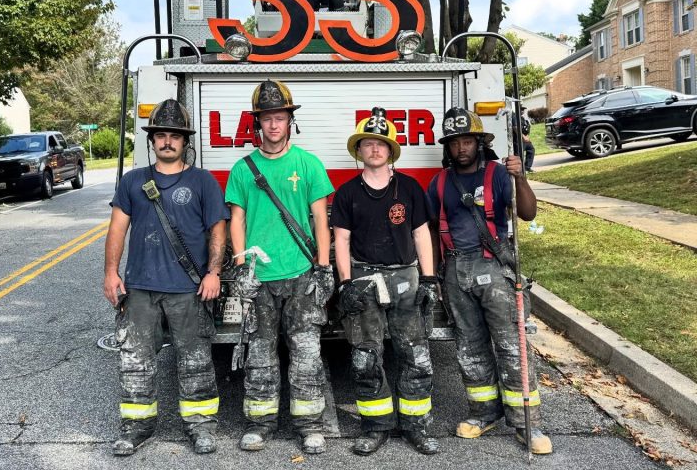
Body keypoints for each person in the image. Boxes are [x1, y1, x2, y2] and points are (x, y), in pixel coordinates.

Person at [103, 99, 229, 456]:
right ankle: (137, 427)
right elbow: (116, 230)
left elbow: (217, 230)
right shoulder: (133, 182)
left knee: (196, 361)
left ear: (185, 141)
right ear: (152, 140)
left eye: (174, 136)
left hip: (189, 289)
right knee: (135, 362)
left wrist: (214, 272)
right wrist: (111, 272)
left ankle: (201, 427)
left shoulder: (202, 181)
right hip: (140, 289)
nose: (168, 142)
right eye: (161, 135)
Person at [426, 107, 552, 455]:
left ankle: (528, 423)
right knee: (470, 348)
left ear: (479, 142)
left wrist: (521, 178)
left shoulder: (499, 174)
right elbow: (433, 231)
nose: (461, 148)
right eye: (455, 143)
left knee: (512, 346)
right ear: (447, 148)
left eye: (468, 140)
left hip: (495, 269)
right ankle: (484, 413)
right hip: (454, 273)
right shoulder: (438, 184)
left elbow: (527, 214)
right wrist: (436, 278)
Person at [225, 80, 335, 455]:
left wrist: (323, 267)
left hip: (301, 275)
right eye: (268, 118)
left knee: (307, 354)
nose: (274, 125)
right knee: (259, 354)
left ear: (290, 122)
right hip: (259, 280)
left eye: (281, 118)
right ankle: (260, 424)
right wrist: (241, 267)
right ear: (258, 124)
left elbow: (321, 219)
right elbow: (236, 221)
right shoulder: (243, 169)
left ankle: (310, 426)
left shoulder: (308, 164)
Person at [331, 107, 440, 456]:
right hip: (364, 279)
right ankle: (375, 426)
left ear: (390, 150)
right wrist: (345, 284)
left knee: (417, 357)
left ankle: (416, 426)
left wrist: (429, 279)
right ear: (359, 151)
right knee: (365, 358)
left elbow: (422, 234)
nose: (375, 149)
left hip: (406, 278)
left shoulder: (408, 188)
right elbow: (342, 241)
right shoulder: (347, 193)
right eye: (368, 144)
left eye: (381, 144)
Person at [516, 107, 535, 173]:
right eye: (521, 109)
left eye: (523, 110)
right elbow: (516, 128)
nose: (522, 111)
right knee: (520, 154)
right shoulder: (515, 118)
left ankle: (527, 168)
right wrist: (523, 137)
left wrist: (527, 137)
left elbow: (526, 129)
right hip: (519, 139)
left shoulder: (522, 119)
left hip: (525, 139)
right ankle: (520, 169)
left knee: (531, 149)